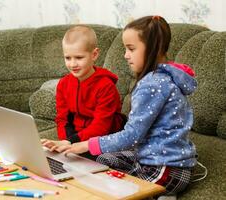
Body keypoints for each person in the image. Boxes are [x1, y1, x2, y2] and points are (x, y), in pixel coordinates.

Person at [61, 16, 198, 199]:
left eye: (131, 49)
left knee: (108, 187)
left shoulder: (153, 84)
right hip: (148, 156)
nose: (126, 55)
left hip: (167, 168)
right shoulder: (162, 75)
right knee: (101, 161)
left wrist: (86, 144)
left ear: (152, 49)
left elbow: (132, 136)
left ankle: (161, 194)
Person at [41, 25, 125, 156]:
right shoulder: (63, 84)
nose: (73, 64)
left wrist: (72, 142)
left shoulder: (106, 86)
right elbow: (62, 119)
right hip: (75, 140)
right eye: (68, 58)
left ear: (94, 55)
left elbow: (101, 127)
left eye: (79, 58)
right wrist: (65, 141)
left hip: (101, 141)